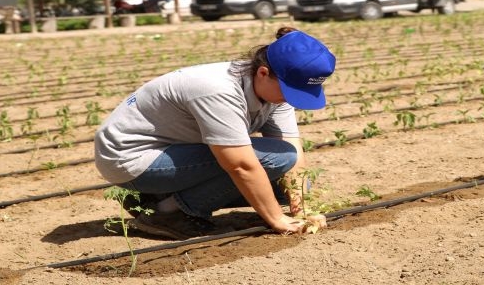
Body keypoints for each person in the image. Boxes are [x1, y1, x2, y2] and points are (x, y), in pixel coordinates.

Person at [94, 27, 336, 240]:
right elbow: (241, 165)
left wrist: (301, 207)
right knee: (275, 159)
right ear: (263, 73)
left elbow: (293, 149)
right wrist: (276, 220)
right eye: (290, 90)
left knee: (284, 184)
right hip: (131, 157)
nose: (290, 99)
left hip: (176, 152)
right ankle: (166, 213)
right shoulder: (218, 90)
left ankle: (156, 198)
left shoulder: (275, 91)